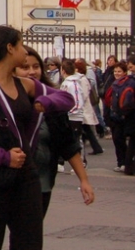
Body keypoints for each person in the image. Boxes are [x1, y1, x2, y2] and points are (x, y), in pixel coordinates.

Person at [0, 25, 72, 250]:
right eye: (20, 45)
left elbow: (67, 99)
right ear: (9, 48)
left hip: (26, 176)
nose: (25, 52)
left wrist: (44, 102)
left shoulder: (24, 84)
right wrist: (2, 157)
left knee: (30, 242)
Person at [18, 46, 94, 216]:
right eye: (25, 67)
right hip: (10, 182)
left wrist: (84, 180)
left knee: (30, 237)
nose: (32, 72)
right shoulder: (6, 100)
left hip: (42, 183)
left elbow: (67, 143)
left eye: (36, 66)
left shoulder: (53, 101)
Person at [60, 59, 104, 156]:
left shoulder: (78, 81)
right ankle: (95, 147)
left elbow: (80, 97)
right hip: (75, 113)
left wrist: (72, 111)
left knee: (79, 137)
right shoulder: (69, 82)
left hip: (77, 113)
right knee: (81, 134)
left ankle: (83, 158)